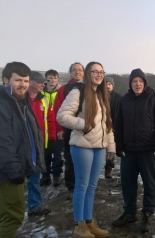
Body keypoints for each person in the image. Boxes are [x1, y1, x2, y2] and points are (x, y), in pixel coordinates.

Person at [57, 61, 115, 237]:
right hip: (81, 145)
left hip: (99, 147)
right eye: (94, 71)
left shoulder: (102, 94)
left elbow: (107, 123)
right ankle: (79, 224)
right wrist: (84, 124)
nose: (98, 74)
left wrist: (111, 146)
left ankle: (89, 222)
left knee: (92, 186)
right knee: (81, 185)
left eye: (101, 72)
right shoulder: (78, 92)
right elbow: (62, 116)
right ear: (88, 74)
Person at [112, 68, 155, 233]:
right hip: (129, 151)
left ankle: (147, 214)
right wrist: (119, 146)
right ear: (130, 84)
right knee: (127, 183)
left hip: (149, 150)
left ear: (144, 83)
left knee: (150, 183)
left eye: (140, 81)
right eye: (134, 81)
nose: (137, 84)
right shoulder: (124, 100)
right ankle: (130, 212)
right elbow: (119, 123)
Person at [0, 62, 45, 237]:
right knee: (13, 217)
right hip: (5, 171)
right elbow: (2, 141)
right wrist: (13, 169)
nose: (22, 84)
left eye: (25, 80)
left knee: (4, 214)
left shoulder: (19, 102)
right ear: (6, 80)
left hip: (15, 168)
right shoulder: (1, 103)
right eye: (18, 80)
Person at [54, 62, 84, 200]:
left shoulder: (91, 88)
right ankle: (71, 187)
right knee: (70, 158)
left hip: (86, 129)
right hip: (69, 129)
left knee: (85, 158)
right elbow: (57, 110)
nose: (77, 72)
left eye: (80, 70)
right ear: (70, 72)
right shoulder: (64, 89)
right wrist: (60, 129)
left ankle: (83, 185)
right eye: (74, 70)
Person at [26, 71, 53, 216]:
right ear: (30, 82)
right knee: (13, 179)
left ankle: (34, 206)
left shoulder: (44, 100)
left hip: (38, 143)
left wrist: (52, 136)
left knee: (35, 176)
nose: (43, 84)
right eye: (40, 82)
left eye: (44, 82)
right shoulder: (18, 99)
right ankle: (1, 210)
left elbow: (50, 119)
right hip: (22, 144)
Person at [40, 69, 63, 186]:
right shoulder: (41, 93)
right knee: (45, 155)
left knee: (57, 154)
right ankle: (45, 175)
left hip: (58, 127)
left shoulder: (61, 92)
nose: (53, 80)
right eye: (50, 78)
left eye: (55, 78)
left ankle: (56, 176)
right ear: (46, 79)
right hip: (44, 129)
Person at [104, 76, 122, 179]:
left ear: (113, 86)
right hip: (100, 128)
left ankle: (108, 168)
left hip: (113, 127)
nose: (107, 86)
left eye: (109, 84)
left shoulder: (118, 98)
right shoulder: (98, 96)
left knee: (111, 151)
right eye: (105, 84)